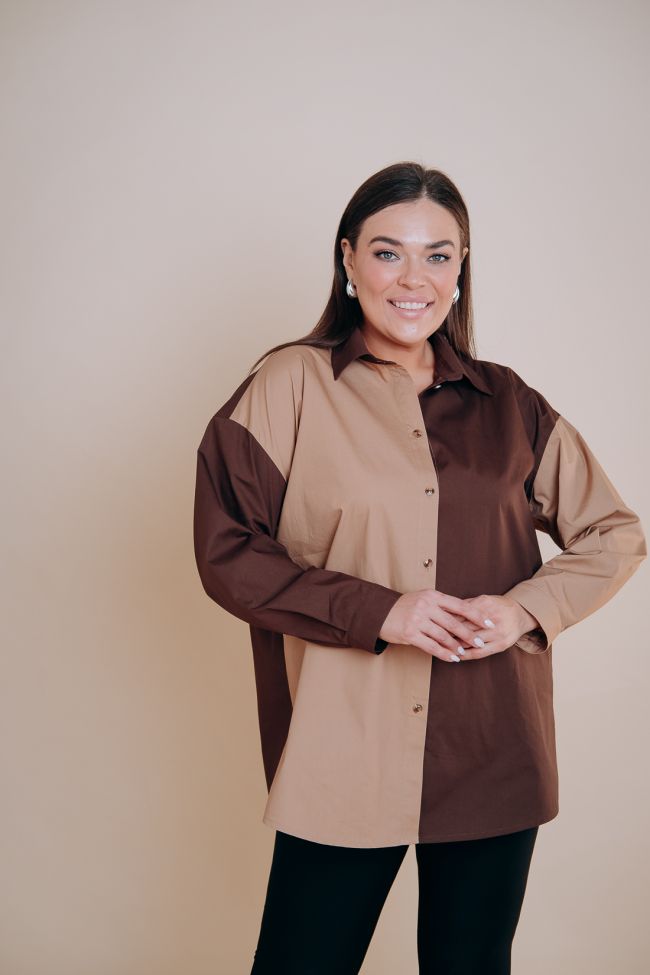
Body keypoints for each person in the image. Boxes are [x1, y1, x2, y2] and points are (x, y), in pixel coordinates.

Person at [192, 161, 647, 974]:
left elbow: (612, 531)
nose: (414, 278)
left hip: (492, 741)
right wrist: (382, 611)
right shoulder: (290, 383)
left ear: (461, 266)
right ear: (347, 258)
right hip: (344, 745)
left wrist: (526, 609)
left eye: (438, 255)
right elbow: (228, 550)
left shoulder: (509, 403)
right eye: (388, 252)